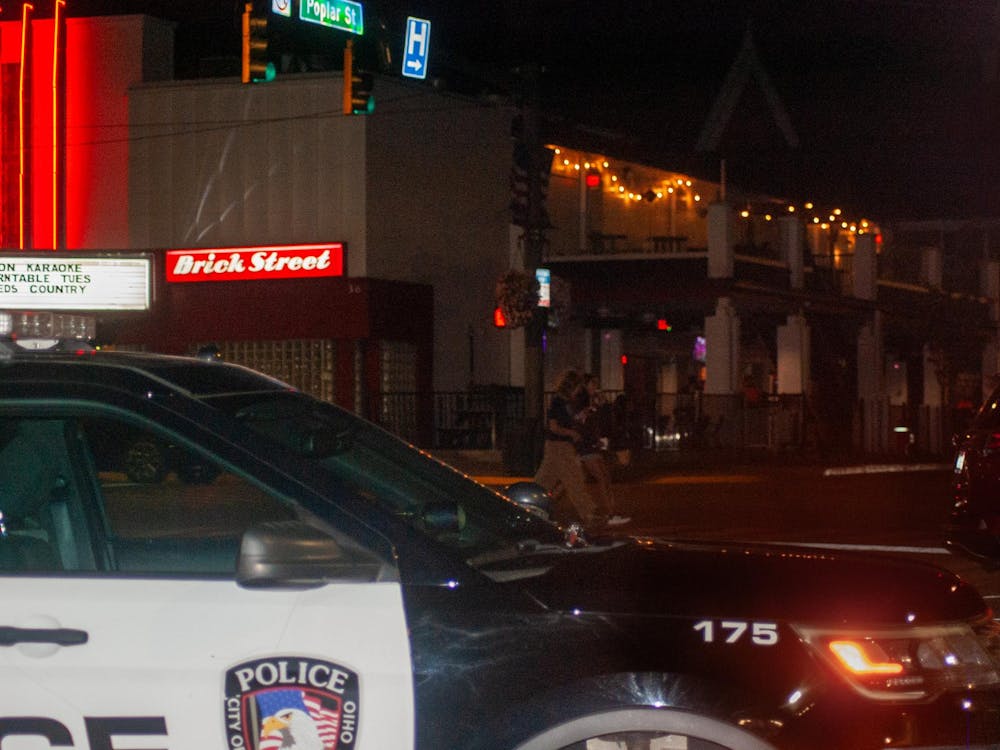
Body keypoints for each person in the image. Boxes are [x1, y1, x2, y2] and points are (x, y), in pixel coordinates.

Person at [533, 370, 595, 527]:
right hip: (559, 445)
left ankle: (527, 505)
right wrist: (572, 433)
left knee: (544, 480)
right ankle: (588, 513)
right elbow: (554, 426)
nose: (578, 392)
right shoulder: (558, 402)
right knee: (575, 479)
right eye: (577, 388)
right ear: (571, 387)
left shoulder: (563, 402)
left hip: (557, 445)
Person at [575, 374, 630, 527]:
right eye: (593, 384)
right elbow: (581, 422)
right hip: (586, 446)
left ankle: (610, 513)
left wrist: (603, 405)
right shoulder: (581, 401)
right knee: (601, 477)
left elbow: (602, 421)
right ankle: (610, 514)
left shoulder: (593, 402)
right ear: (586, 385)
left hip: (592, 444)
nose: (596, 387)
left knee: (598, 477)